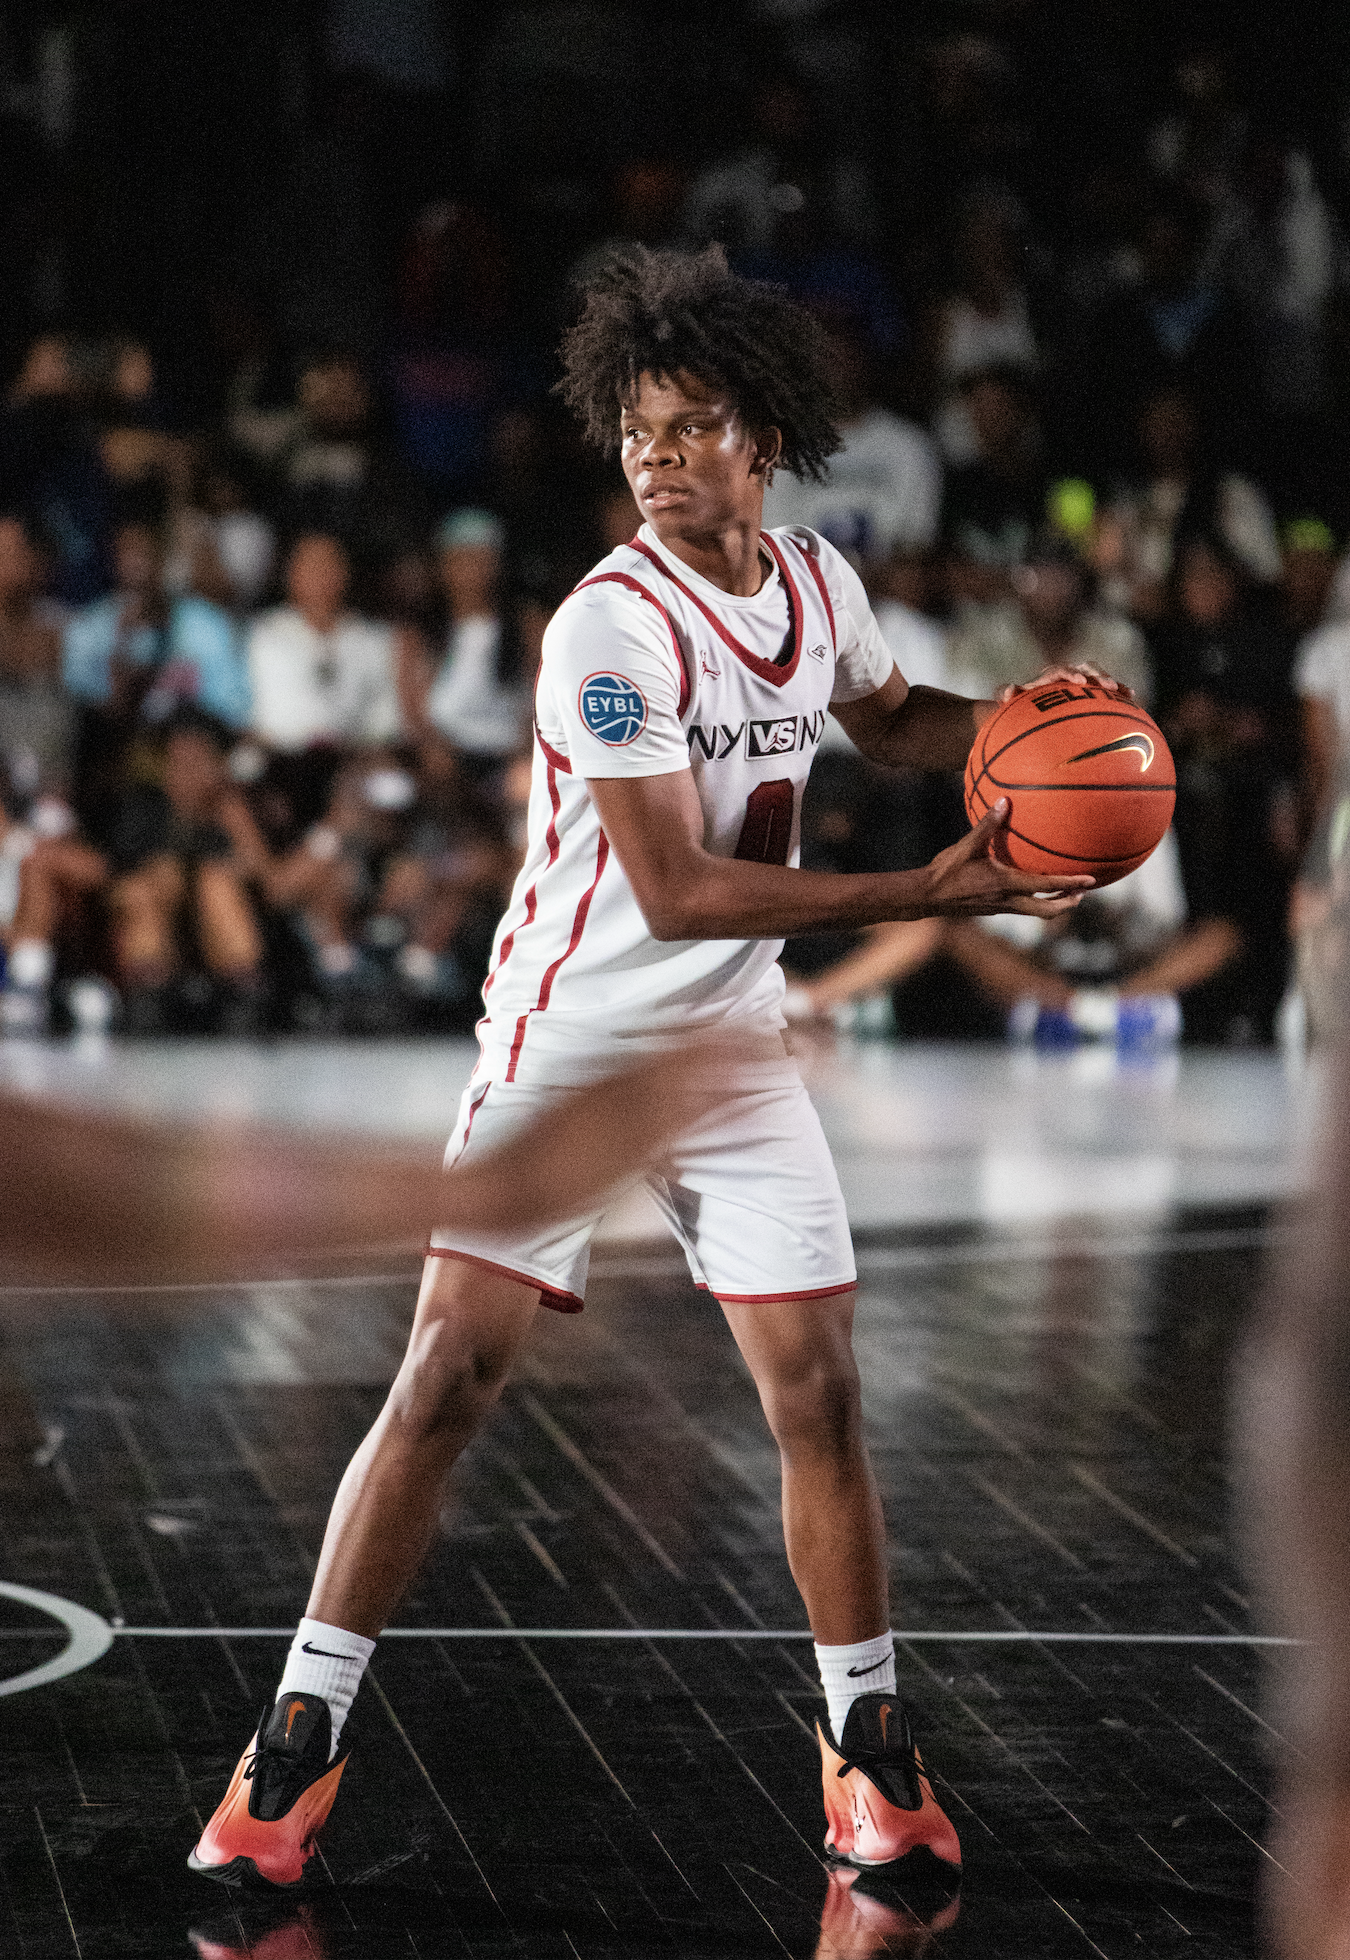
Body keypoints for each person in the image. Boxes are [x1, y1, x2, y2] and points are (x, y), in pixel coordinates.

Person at [189, 244, 1106, 1895]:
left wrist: (1029, 737)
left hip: (730, 1048)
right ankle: (293, 1747)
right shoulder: (606, 629)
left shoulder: (816, 583)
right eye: (635, 431)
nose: (657, 457)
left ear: (762, 436)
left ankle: (866, 1755)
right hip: (572, 1041)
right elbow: (677, 892)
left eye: (688, 428)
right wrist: (936, 886)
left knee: (818, 1392)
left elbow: (886, 718)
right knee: (447, 1380)